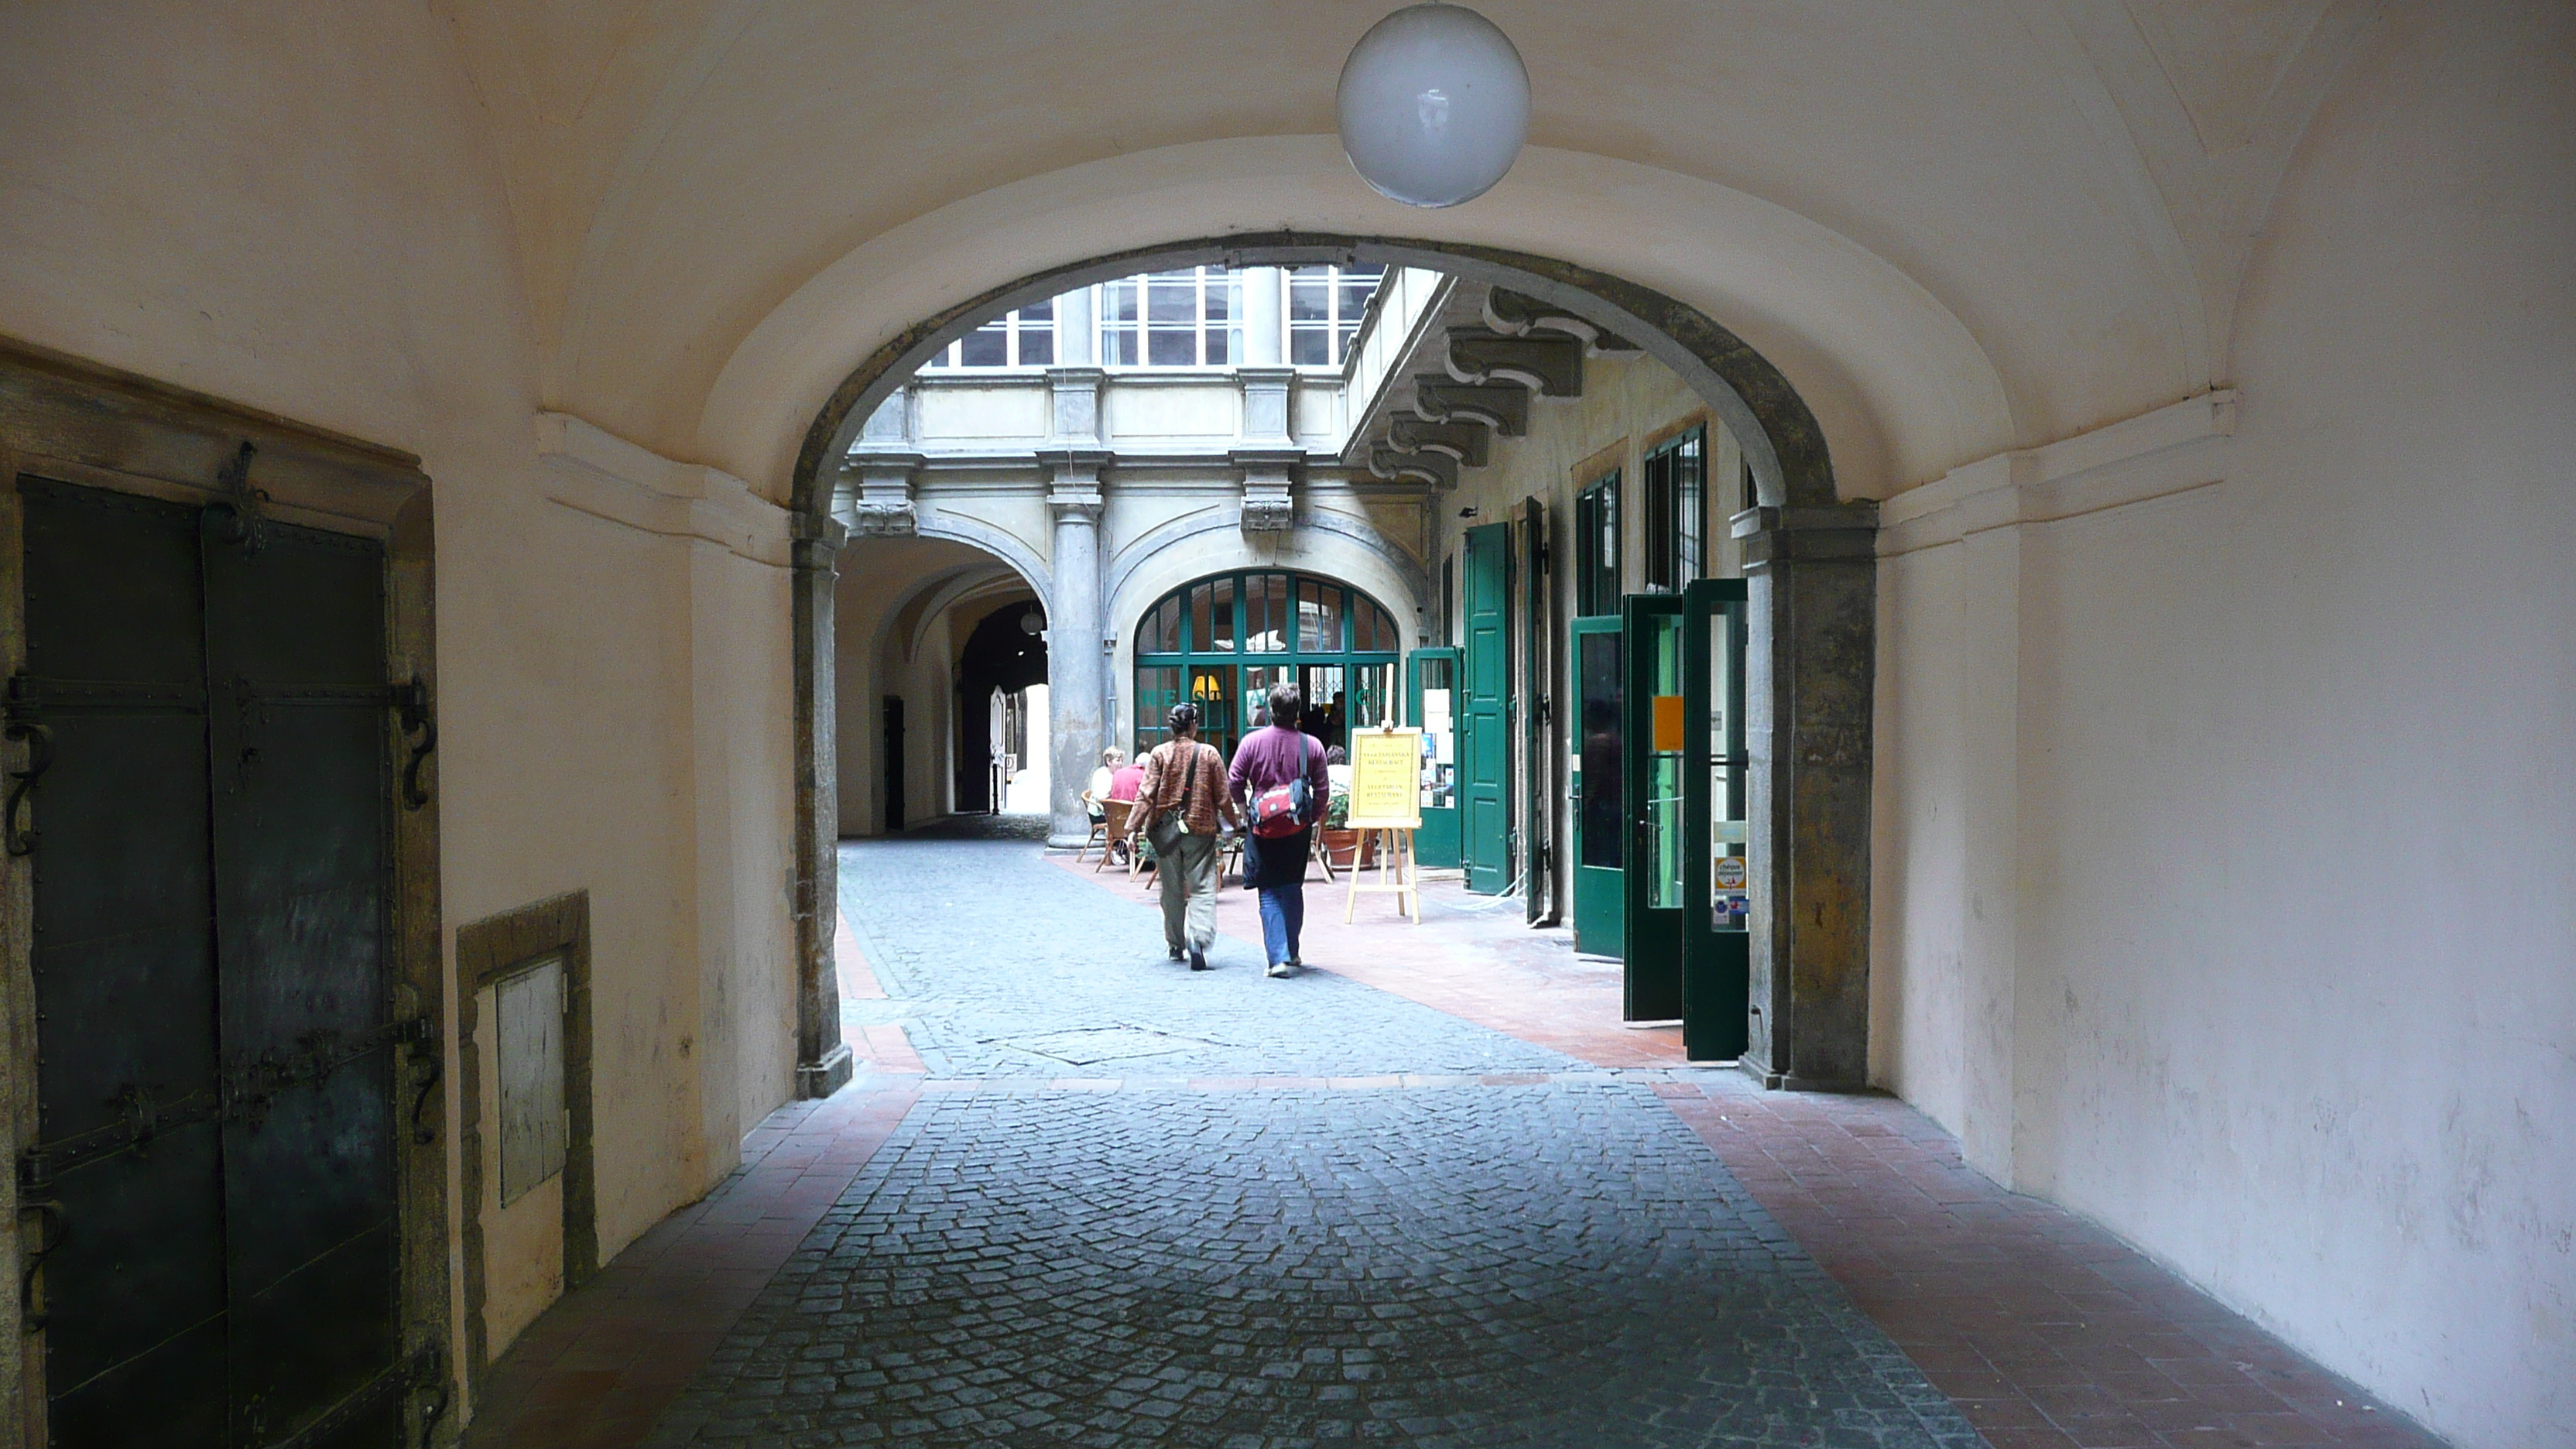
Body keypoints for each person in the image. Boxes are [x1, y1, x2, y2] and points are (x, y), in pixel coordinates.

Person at [1122, 703, 1240, 971]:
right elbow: (1223, 795)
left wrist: (1131, 828)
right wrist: (1233, 824)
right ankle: (1198, 939)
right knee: (1202, 887)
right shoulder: (1209, 754)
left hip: (1166, 833)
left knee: (1172, 890)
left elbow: (1146, 794)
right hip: (1201, 828)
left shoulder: (1159, 754)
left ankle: (1175, 944)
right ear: (1194, 725)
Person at [1230, 680, 1329, 978]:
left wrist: (1244, 808)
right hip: (1297, 828)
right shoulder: (1311, 746)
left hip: (1262, 830)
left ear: (1270, 710)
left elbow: (1234, 780)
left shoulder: (1252, 743)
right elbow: (1322, 791)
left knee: (1269, 892)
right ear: (1297, 712)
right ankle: (1293, 949)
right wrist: (1311, 818)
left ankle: (1278, 959)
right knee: (1292, 887)